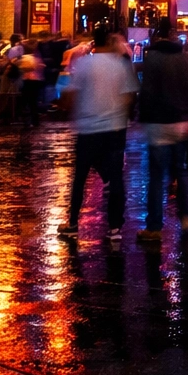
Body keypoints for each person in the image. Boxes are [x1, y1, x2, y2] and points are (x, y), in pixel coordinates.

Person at [59, 26, 138, 243]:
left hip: (89, 128)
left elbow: (70, 95)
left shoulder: (84, 63)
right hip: (115, 128)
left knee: (80, 178)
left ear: (94, 43)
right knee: (115, 178)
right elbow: (130, 96)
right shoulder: (121, 65)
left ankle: (73, 223)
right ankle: (115, 228)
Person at [137, 19, 188, 242]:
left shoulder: (153, 58)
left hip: (158, 122)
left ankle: (154, 227)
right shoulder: (183, 57)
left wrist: (142, 115)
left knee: (156, 176)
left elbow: (147, 91)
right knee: (181, 170)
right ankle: (186, 216)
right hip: (181, 121)